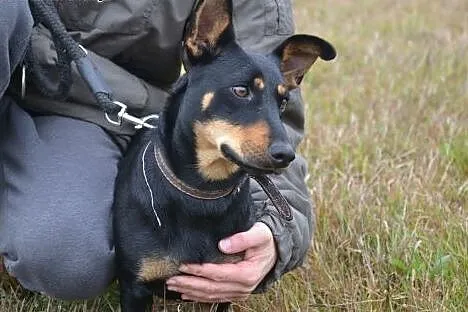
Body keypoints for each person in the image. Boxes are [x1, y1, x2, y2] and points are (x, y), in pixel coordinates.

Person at [0, 0, 314, 304]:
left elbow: (269, 104)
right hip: (14, 67)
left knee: (68, 259)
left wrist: (276, 232)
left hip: (84, 111)